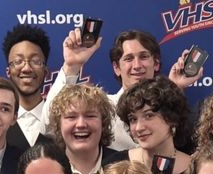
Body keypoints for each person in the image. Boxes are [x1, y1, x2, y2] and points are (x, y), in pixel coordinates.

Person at [44, 28, 201, 151]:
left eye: (144, 57)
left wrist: (175, 88)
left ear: (157, 63)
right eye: (128, 58)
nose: (137, 65)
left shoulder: (170, 108)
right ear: (116, 68)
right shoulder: (103, 107)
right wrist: (71, 66)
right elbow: (50, 124)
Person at [114, 76, 193, 174]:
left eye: (149, 116)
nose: (139, 127)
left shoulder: (196, 170)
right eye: (133, 119)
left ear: (172, 119)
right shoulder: (115, 164)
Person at [46, 83, 119, 174]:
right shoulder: (45, 169)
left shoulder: (123, 166)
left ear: (103, 123)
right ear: (58, 125)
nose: (81, 124)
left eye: (90, 115)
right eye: (71, 117)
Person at [2, 24, 53, 150]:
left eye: (35, 61)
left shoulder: (60, 119)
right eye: (18, 61)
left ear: (46, 71)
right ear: (8, 72)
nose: (26, 69)